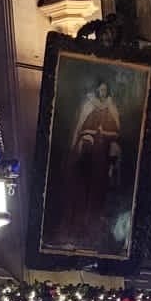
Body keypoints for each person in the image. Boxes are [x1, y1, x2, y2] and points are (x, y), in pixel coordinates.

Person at [63, 79, 127, 247]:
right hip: (89, 156)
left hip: (103, 159)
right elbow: (81, 128)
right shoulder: (88, 104)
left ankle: (95, 231)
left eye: (105, 90)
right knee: (83, 190)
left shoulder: (111, 107)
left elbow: (115, 133)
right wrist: (85, 139)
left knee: (99, 192)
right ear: (97, 90)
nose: (103, 92)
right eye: (101, 89)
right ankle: (77, 228)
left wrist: (112, 152)